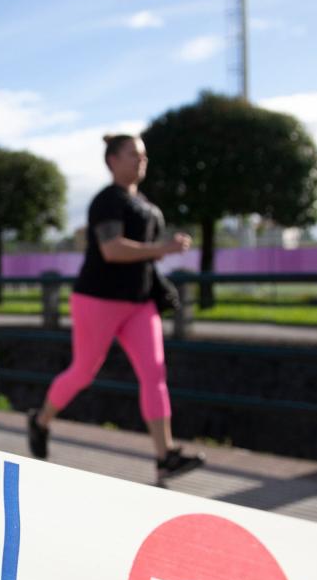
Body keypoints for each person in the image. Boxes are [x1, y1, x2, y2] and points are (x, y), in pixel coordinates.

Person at [27, 133, 205, 484]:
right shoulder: (106, 201)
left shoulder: (146, 204)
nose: (142, 160)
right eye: (133, 154)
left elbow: (141, 254)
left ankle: (165, 456)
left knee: (154, 374)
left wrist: (160, 257)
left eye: (144, 154)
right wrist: (163, 249)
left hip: (139, 303)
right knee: (83, 372)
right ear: (112, 160)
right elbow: (112, 250)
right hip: (98, 299)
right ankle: (41, 420)